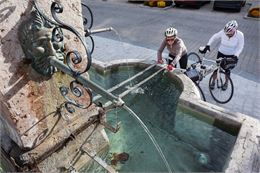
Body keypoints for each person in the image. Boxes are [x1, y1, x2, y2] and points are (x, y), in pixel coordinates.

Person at [200, 20, 244, 90]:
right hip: (221, 53)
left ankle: (226, 83)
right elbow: (215, 36)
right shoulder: (223, 32)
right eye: (226, 34)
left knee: (227, 70)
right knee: (216, 68)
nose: (227, 35)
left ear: (235, 30)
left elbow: (240, 46)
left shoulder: (240, 35)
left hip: (231, 55)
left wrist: (236, 55)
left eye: (229, 34)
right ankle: (213, 81)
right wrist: (208, 45)